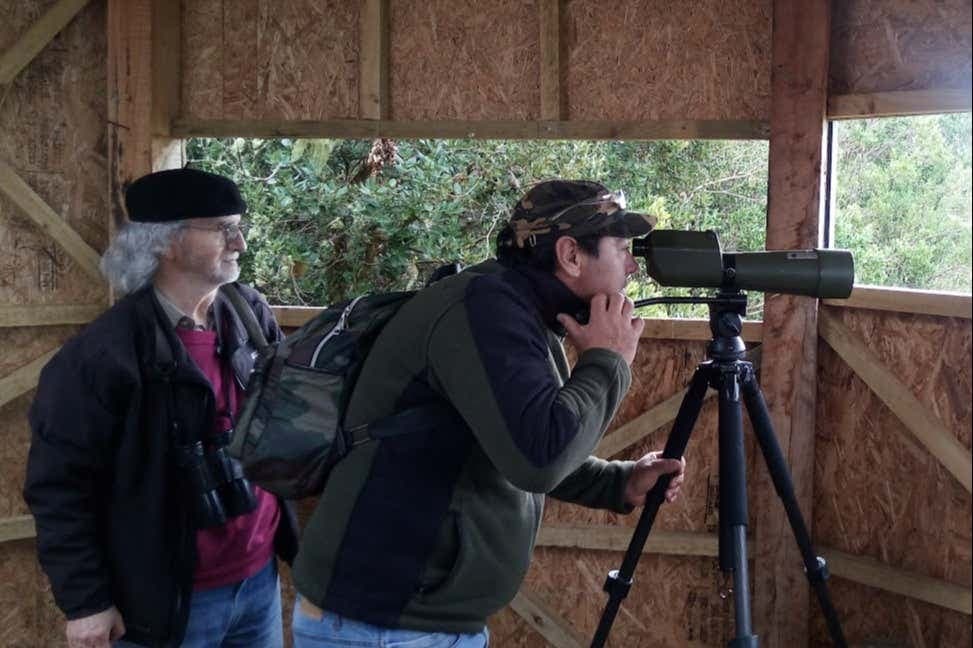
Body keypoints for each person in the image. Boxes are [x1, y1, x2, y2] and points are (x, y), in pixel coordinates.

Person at [290, 179, 687, 647]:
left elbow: (517, 441)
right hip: (383, 626)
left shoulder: (518, 311)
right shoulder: (486, 312)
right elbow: (538, 458)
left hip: (413, 621)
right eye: (621, 248)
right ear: (570, 255)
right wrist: (608, 361)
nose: (633, 266)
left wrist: (619, 482)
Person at [23, 168, 299, 648]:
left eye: (239, 227)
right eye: (222, 228)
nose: (239, 243)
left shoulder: (250, 313)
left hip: (259, 580)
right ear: (167, 242)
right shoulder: (102, 357)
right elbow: (59, 487)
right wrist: (86, 601)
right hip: (166, 602)